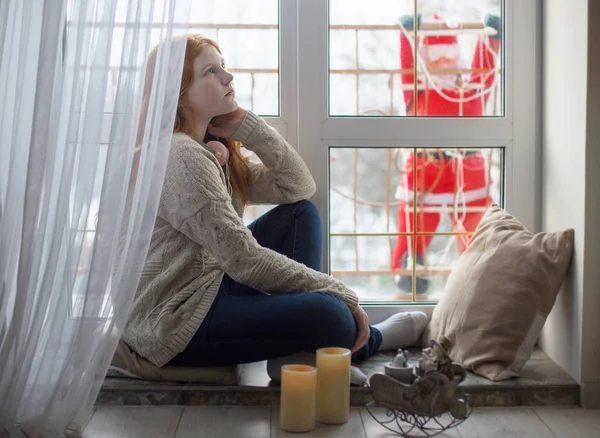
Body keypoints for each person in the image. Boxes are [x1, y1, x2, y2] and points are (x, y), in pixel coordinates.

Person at [121, 34, 428, 383]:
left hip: (209, 287)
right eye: (210, 71)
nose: (227, 78)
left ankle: (295, 356)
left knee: (301, 214)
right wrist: (341, 293)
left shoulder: (206, 148)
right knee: (334, 315)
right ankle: (373, 340)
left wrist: (249, 128)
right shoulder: (181, 155)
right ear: (178, 92)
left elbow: (297, 187)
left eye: (224, 67)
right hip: (177, 323)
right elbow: (244, 259)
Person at [391, 14, 501, 295]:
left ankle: (482, 269)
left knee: (477, 228)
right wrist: (407, 35)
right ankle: (409, 266)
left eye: (447, 60)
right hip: (425, 171)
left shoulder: (471, 92)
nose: (443, 66)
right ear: (426, 64)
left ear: (456, 60)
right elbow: (407, 67)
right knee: (414, 220)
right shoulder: (416, 93)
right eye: (436, 61)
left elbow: (485, 70)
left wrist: (490, 38)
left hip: (469, 174)